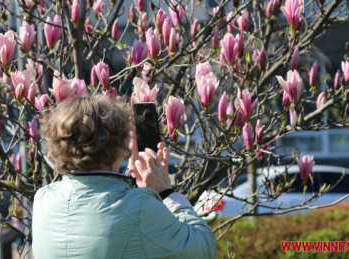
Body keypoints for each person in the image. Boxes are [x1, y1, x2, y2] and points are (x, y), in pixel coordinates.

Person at [33, 94, 218, 258]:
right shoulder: (139, 209)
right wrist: (165, 191)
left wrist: (131, 181)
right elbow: (203, 249)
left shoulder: (43, 200)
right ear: (117, 144)